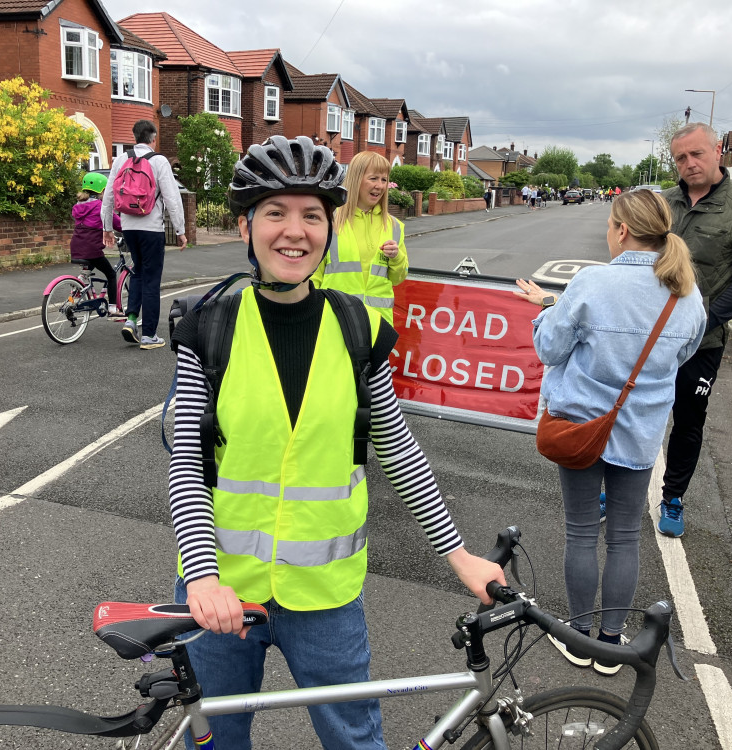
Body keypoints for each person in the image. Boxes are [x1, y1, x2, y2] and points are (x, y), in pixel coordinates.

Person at [168, 135, 505, 748]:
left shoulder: (358, 329)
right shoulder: (209, 326)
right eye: (275, 212)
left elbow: (400, 454)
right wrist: (200, 577)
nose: (293, 231)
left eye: (311, 215)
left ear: (328, 226)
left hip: (325, 599)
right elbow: (188, 460)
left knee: (354, 741)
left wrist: (460, 558)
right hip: (220, 588)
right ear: (247, 225)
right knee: (215, 742)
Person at [514, 189, 706, 675]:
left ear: (622, 230)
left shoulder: (593, 281)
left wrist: (543, 312)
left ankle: (578, 640)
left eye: (609, 225)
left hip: (579, 426)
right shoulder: (686, 291)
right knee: (625, 538)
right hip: (639, 431)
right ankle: (610, 641)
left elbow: (551, 349)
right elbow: (683, 355)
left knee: (581, 533)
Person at [657, 122, 732, 537]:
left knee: (687, 419)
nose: (689, 164)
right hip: (650, 336)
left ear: (717, 150)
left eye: (696, 154)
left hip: (702, 341)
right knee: (632, 412)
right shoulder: (664, 202)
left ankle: (673, 497)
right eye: (681, 158)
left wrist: (702, 319)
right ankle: (617, 492)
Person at [101, 119, 187, 350]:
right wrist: (180, 230)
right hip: (152, 230)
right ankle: (149, 335)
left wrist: (107, 227)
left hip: (129, 228)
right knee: (151, 279)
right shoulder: (159, 161)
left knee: (137, 273)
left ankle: (130, 320)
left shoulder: (122, 159)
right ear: (153, 138)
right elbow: (172, 198)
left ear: (135, 136)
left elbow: (108, 195)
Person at [310, 151, 408, 324]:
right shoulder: (330, 220)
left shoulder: (394, 226)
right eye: (373, 178)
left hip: (378, 321)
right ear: (356, 179)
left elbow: (398, 278)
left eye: (384, 180)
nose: (380, 185)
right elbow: (313, 275)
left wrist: (396, 257)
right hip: (335, 318)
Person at [71, 172, 121, 316]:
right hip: (92, 249)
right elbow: (117, 224)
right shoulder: (100, 206)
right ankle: (112, 308)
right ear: (102, 191)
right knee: (111, 274)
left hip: (76, 247)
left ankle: (72, 298)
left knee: (86, 272)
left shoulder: (77, 206)